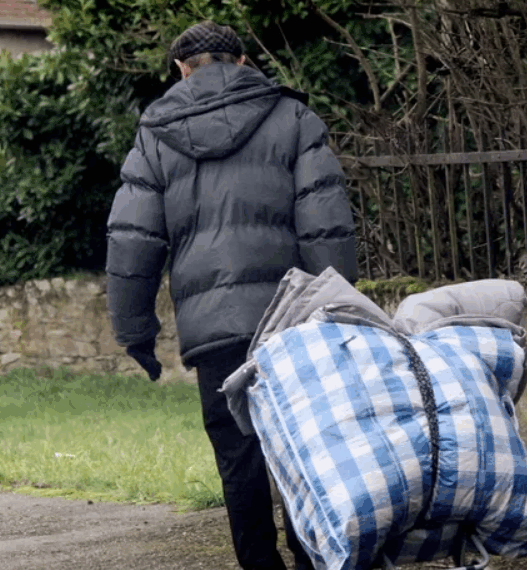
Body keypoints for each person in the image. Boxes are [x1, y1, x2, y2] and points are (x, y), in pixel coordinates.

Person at [105, 20, 358, 570]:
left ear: (181, 69)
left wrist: (135, 332)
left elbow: (133, 241)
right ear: (242, 61)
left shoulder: (155, 132)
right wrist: (342, 310)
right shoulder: (291, 117)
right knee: (300, 447)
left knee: (238, 459)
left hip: (212, 330)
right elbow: (325, 225)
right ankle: (313, 557)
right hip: (290, 322)